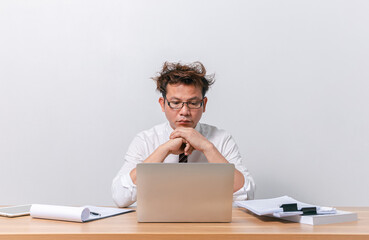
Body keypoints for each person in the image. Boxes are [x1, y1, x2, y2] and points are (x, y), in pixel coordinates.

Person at [112, 61, 255, 207]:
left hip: (209, 226)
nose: (184, 111)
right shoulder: (145, 140)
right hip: (158, 226)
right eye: (175, 102)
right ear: (163, 104)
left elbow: (246, 195)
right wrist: (163, 150)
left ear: (204, 104)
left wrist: (207, 147)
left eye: (193, 103)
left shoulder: (222, 139)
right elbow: (120, 197)